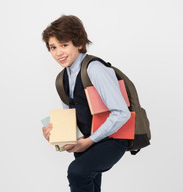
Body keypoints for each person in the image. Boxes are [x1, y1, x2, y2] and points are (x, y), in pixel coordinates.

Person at [41, 15, 131, 192]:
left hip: (111, 140)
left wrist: (89, 141)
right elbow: (71, 120)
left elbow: (122, 113)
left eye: (64, 45)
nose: (58, 53)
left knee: (77, 172)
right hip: (86, 142)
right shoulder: (62, 79)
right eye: (53, 47)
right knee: (89, 185)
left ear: (79, 43)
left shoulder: (95, 69)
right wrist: (58, 136)